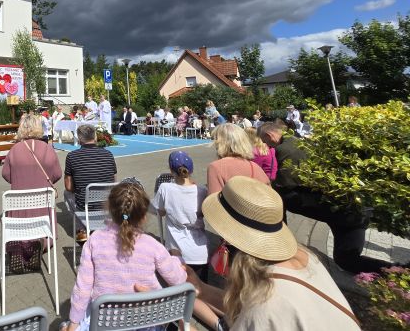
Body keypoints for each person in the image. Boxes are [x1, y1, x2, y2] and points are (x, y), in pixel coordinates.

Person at [195, 176, 361, 330]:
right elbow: (243, 309)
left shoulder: (264, 305)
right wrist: (201, 288)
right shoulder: (307, 257)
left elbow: (254, 314)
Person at [62, 182, 218, 331]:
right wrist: (177, 259)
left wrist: (73, 323)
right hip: (146, 323)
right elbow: (178, 279)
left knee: (64, 325)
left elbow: (82, 289)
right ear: (144, 216)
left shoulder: (94, 240)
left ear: (109, 209)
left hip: (104, 323)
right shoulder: (153, 245)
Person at [257, 122, 391, 273]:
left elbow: (284, 186)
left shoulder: (285, 149)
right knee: (345, 259)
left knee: (281, 197)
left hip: (347, 212)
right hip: (344, 210)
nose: (265, 144)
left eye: (264, 140)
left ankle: (399, 271)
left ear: (270, 135)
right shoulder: (297, 141)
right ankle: (396, 271)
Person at [152, 151, 209, 281]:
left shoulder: (165, 188)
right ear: (191, 169)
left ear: (171, 170)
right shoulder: (202, 191)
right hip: (200, 252)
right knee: (201, 289)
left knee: (181, 289)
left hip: (177, 253)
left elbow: (160, 212)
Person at [64, 124, 117, 239]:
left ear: (79, 139)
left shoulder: (72, 156)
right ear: (95, 137)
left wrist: (79, 187)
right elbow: (113, 181)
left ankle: (81, 230)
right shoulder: (108, 154)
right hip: (106, 203)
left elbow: (68, 186)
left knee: (67, 193)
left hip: (85, 205)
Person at [2, 113, 62, 211]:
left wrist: (20, 181)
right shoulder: (48, 148)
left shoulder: (14, 149)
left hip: (19, 203)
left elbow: (6, 174)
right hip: (44, 203)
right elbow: (57, 174)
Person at [206, 123, 269, 194]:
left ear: (220, 143)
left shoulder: (216, 167)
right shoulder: (254, 166)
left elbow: (214, 198)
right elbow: (268, 193)